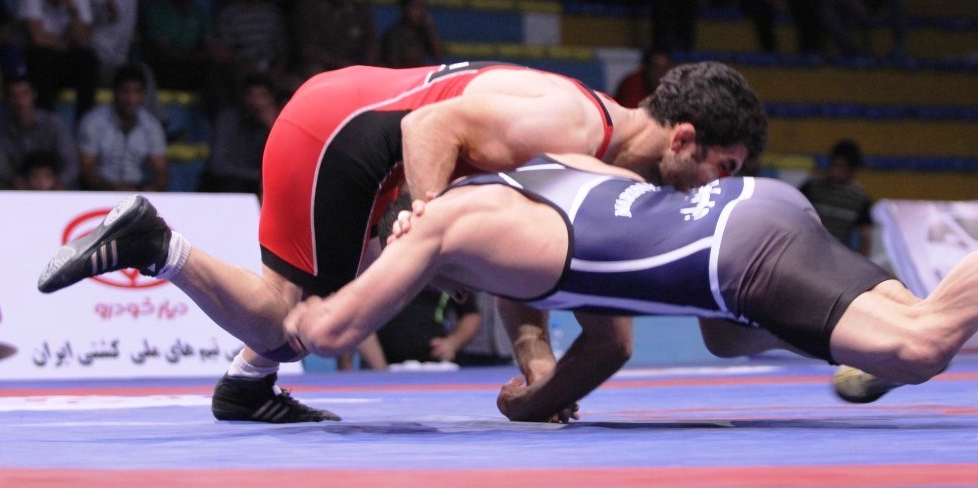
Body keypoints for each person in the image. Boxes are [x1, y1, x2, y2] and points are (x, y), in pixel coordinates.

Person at [38, 60, 767, 424]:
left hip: (353, 127)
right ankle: (156, 244)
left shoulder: (602, 159)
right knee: (301, 324)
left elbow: (551, 291)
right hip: (350, 134)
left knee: (316, 305)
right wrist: (428, 222)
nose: (716, 189)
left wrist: (537, 368)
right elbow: (429, 126)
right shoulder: (575, 126)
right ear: (683, 139)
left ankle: (246, 386)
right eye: (724, 169)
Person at [254, 157, 978, 421]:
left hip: (732, 262)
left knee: (922, 342)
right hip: (750, 208)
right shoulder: (521, 183)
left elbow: (330, 326)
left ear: (395, 218)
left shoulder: (439, 229)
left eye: (378, 239)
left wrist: (268, 310)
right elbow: (542, 301)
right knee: (861, 328)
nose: (381, 251)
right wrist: (534, 382)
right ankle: (848, 345)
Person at [16, 0, 99, 117]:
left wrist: (73, 13)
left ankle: (85, 121)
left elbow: (83, 41)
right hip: (37, 62)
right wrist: (65, 44)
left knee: (88, 60)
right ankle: (46, 119)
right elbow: (37, 39)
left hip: (63, 61)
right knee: (41, 56)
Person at [76, 64, 168, 192]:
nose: (131, 98)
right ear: (114, 92)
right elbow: (86, 169)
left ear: (143, 95)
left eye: (136, 92)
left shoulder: (151, 125)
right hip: (100, 190)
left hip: (138, 190)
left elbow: (162, 171)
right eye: (125, 91)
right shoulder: (93, 121)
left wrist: (152, 189)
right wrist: (113, 189)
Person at [0, 73, 79, 190]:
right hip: (21, 186)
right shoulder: (4, 129)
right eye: (14, 95)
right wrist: (15, 180)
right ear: (8, 100)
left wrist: (59, 181)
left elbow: (71, 162)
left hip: (55, 184)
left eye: (24, 94)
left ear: (34, 94)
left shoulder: (53, 124)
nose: (20, 101)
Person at [293, 0, 378, 77]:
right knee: (314, 70)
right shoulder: (310, 10)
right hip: (321, 65)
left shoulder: (361, 11)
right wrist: (340, 63)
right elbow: (307, 48)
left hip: (352, 65)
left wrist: (364, 67)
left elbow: (371, 42)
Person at [200, 74, 278, 196]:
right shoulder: (228, 119)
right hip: (229, 188)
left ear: (272, 99)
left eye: (262, 96)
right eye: (251, 95)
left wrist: (272, 127)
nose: (256, 102)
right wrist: (255, 175)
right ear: (243, 97)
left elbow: (285, 166)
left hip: (264, 188)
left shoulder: (279, 123)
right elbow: (217, 165)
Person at [372, 286, 482, 367]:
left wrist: (453, 342)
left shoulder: (448, 270)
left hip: (437, 365)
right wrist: (380, 368)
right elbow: (363, 316)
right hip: (386, 365)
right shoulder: (382, 269)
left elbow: (471, 315)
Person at [799, 139, 873, 256]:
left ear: (852, 170)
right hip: (808, 250)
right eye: (834, 164)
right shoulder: (812, 187)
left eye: (841, 167)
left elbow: (865, 237)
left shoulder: (860, 199)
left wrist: (858, 262)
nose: (834, 171)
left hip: (837, 256)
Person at [380, 0, 444, 69]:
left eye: (423, 6)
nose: (420, 11)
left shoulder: (424, 32)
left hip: (420, 74)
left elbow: (439, 57)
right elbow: (394, 65)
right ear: (404, 6)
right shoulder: (394, 34)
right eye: (415, 6)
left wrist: (431, 29)